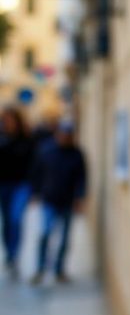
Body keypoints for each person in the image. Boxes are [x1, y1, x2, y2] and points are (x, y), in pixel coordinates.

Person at [29, 119, 86, 284]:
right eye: (63, 134)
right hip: (49, 200)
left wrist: (79, 197)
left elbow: (81, 178)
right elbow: (36, 172)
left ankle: (59, 270)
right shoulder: (46, 150)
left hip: (67, 201)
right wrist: (35, 193)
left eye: (69, 135)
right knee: (45, 234)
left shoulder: (76, 154)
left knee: (65, 238)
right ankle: (40, 269)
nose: (65, 138)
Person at [0, 106, 34, 276]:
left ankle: (15, 254)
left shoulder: (27, 139)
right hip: (3, 184)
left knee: (16, 219)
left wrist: (35, 189)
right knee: (6, 221)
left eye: (11, 119)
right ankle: (9, 253)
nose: (8, 123)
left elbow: (34, 163)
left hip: (21, 185)